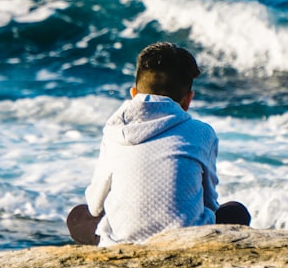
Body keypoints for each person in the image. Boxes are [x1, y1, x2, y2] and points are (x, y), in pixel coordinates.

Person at [67, 41, 250, 246]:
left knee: (77, 216)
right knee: (236, 211)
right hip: (189, 242)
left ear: (134, 93)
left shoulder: (114, 130)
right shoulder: (202, 132)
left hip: (122, 243)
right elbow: (209, 203)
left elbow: (94, 206)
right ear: (188, 100)